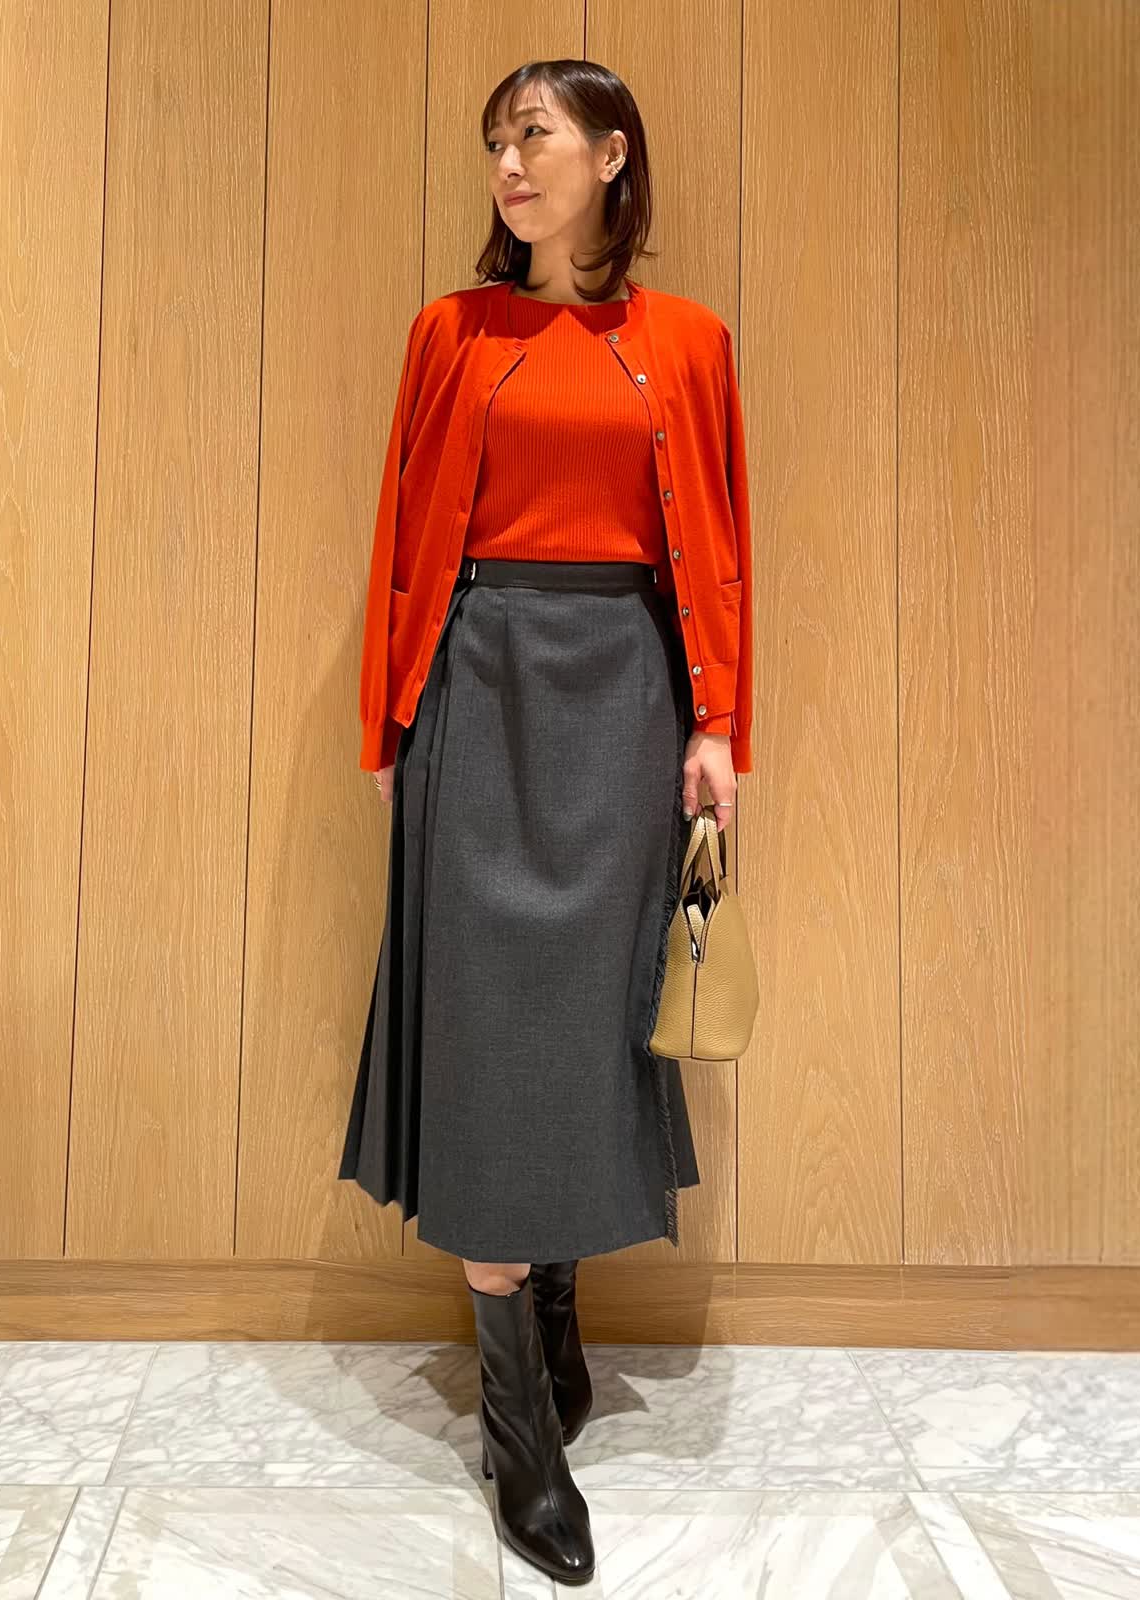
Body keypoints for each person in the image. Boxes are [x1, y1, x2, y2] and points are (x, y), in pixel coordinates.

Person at [338, 57, 753, 1586]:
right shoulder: (449, 334)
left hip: (627, 697)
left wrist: (719, 723)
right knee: (489, 1029)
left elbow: (722, 540)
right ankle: (520, 1430)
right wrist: (389, 721)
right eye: (497, 142)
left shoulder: (688, 342)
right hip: (479, 684)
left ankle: (559, 1317)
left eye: (536, 135)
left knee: (589, 1022)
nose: (511, 164)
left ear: (611, 155)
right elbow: (402, 535)